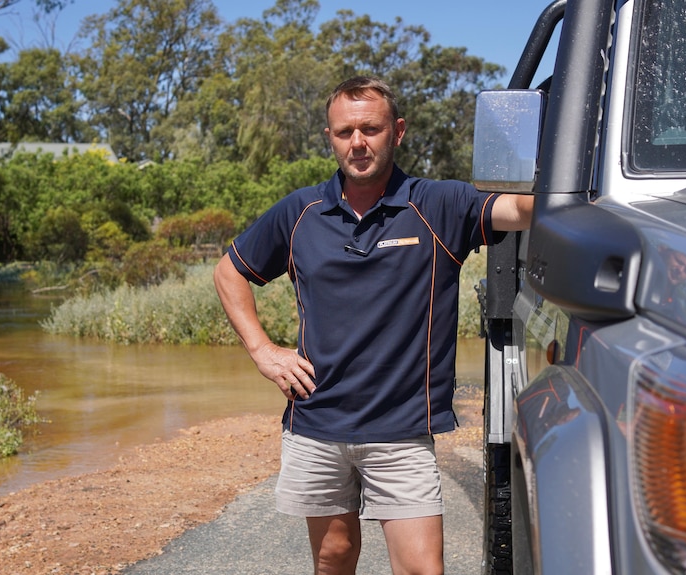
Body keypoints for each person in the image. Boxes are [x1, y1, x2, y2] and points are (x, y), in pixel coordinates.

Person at [214, 76, 533, 575]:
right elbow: (229, 271)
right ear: (330, 137)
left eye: (371, 129)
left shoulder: (438, 206)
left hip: (401, 430)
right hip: (318, 423)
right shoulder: (300, 212)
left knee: (423, 569)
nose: (357, 143)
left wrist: (568, 169)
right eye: (345, 132)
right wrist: (263, 350)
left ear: (397, 131)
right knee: (334, 555)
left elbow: (523, 209)